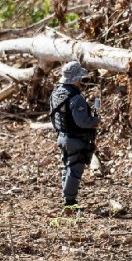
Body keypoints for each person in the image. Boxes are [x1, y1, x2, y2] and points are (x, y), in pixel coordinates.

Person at [50, 61, 100, 209]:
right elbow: (82, 122)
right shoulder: (76, 98)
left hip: (62, 136)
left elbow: (53, 116)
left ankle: (67, 196)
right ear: (75, 78)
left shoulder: (56, 93)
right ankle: (70, 202)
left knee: (67, 166)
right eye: (80, 77)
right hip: (75, 139)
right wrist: (94, 121)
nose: (81, 80)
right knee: (74, 170)